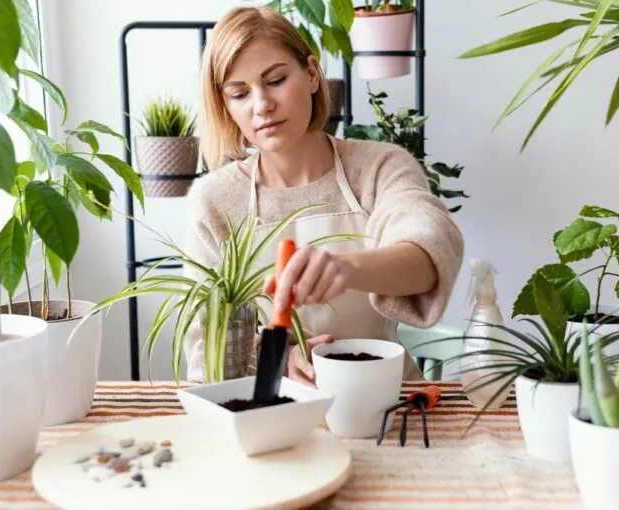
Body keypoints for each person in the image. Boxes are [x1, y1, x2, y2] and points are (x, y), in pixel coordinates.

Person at [182, 5, 464, 385]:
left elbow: (431, 248)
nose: (262, 104)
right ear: (226, 107)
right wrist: (277, 356)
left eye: (276, 79)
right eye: (240, 93)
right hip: (277, 406)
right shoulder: (215, 200)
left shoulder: (378, 168)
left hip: (389, 401)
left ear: (312, 74)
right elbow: (204, 343)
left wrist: (345, 269)